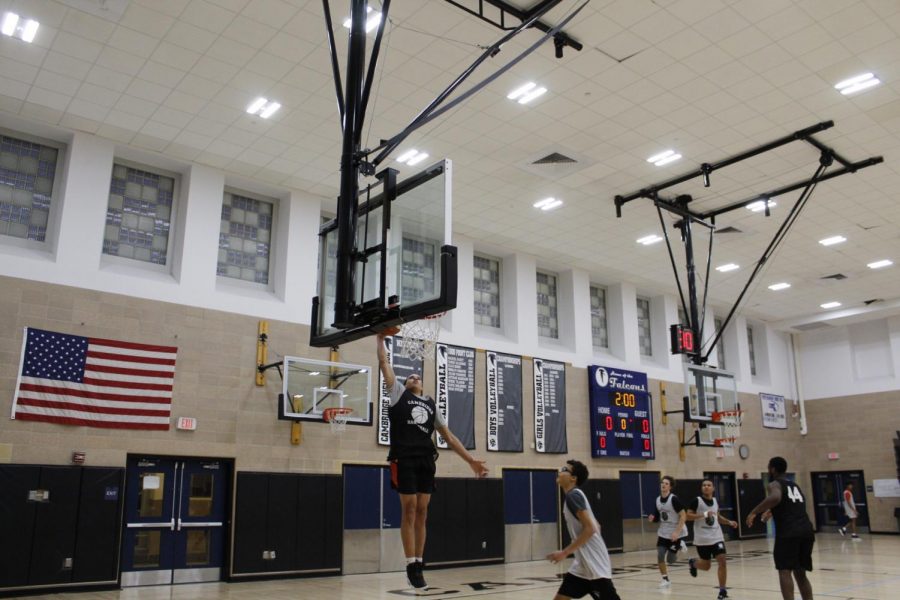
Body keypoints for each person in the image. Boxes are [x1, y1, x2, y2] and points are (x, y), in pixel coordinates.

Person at [376, 333, 488, 590]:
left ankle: (419, 562)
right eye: (410, 376)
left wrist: (471, 460)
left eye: (418, 376)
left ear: (423, 386)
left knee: (423, 512)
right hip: (403, 457)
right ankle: (410, 563)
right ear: (404, 384)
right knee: (410, 508)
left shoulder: (430, 404)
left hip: (426, 459)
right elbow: (384, 363)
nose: (415, 376)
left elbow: (449, 437)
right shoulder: (397, 394)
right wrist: (380, 338)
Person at [547, 459, 621, 600]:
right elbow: (596, 525)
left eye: (564, 469)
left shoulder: (573, 496)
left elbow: (591, 528)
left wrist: (565, 552)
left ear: (573, 478)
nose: (560, 471)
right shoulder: (575, 495)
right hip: (582, 565)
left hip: (594, 562)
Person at [746, 457, 815, 600]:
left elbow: (776, 498)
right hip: (806, 530)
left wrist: (754, 511)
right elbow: (790, 504)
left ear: (772, 469)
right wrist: (771, 512)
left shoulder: (774, 484)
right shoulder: (794, 485)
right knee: (800, 574)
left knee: (784, 571)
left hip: (789, 532)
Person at [686, 479, 739, 600]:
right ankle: (693, 563)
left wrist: (729, 522)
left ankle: (722, 591)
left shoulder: (715, 501)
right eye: (704, 485)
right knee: (706, 566)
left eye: (708, 485)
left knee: (722, 561)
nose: (706, 487)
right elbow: (687, 516)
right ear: (701, 488)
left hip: (716, 536)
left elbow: (717, 517)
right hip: (702, 538)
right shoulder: (697, 501)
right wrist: (703, 515)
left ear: (713, 488)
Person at [647, 475, 688, 588]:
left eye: (666, 483)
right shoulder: (657, 500)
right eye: (662, 483)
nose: (663, 485)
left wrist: (677, 532)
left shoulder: (673, 499)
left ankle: (680, 545)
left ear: (670, 487)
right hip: (663, 532)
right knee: (660, 555)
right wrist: (653, 519)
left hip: (675, 532)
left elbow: (683, 515)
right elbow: (657, 517)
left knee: (670, 560)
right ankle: (665, 579)